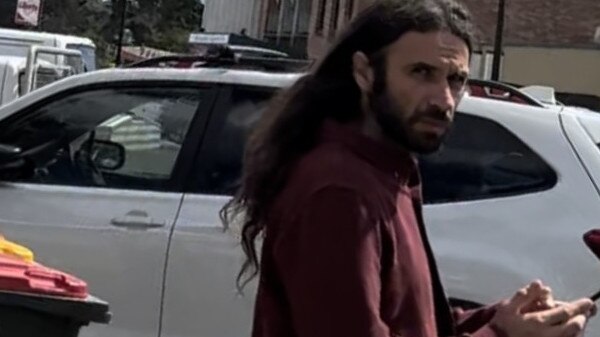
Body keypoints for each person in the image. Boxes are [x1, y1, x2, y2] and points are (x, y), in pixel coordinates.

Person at [221, 1, 595, 336]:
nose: (443, 100)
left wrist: (503, 318)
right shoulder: (339, 191)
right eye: (421, 72)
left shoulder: (388, 172)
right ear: (364, 72)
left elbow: (416, 322)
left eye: (456, 79)